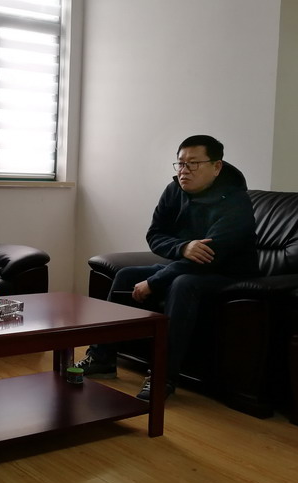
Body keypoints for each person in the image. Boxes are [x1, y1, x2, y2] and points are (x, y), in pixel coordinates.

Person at [76, 135, 258, 400]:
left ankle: (163, 376)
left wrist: (154, 282)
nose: (184, 170)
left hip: (229, 275)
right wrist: (183, 247)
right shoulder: (174, 190)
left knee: (183, 283)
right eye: (181, 163)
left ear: (216, 166)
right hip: (187, 266)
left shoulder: (236, 202)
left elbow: (210, 257)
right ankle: (101, 358)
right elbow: (155, 235)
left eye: (193, 163)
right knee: (125, 275)